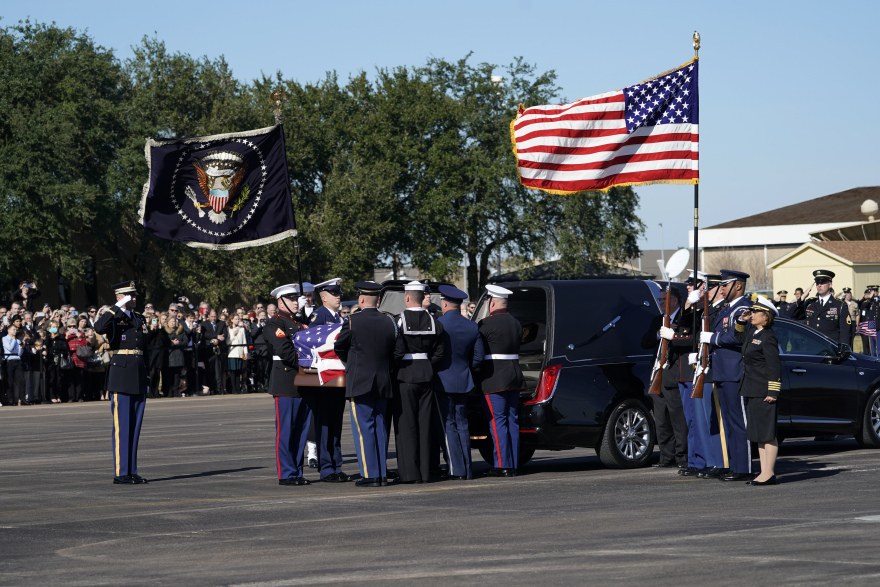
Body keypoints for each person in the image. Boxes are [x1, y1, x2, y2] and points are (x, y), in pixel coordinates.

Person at [334, 281, 400, 487]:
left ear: (361, 299)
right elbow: (397, 352)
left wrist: (352, 364)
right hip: (383, 381)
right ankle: (380, 472)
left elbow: (339, 347)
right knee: (380, 427)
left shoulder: (352, 321)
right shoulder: (389, 321)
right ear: (378, 300)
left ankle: (370, 474)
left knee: (364, 429)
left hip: (360, 380)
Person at [93, 281, 149, 484]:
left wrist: (148, 375)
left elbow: (145, 349)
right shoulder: (114, 316)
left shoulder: (139, 318)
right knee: (122, 426)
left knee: (134, 427)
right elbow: (99, 327)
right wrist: (115, 308)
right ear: (120, 297)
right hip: (121, 375)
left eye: (134, 295)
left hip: (138, 374)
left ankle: (131, 470)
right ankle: (121, 473)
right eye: (129, 296)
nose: (134, 299)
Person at [699, 269, 752, 482]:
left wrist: (713, 338)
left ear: (738, 285)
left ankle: (744, 467)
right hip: (722, 371)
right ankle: (734, 464)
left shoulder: (743, 308)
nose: (721, 288)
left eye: (725, 284)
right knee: (728, 422)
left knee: (739, 421)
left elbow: (738, 337)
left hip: (734, 371)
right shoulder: (727, 309)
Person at [391, 281, 445, 484]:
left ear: (406, 297)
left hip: (405, 376)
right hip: (426, 375)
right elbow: (440, 352)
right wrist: (427, 365)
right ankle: (424, 472)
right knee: (424, 425)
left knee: (406, 427)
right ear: (423, 297)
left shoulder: (398, 321)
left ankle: (409, 474)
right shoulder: (435, 322)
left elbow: (395, 351)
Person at [435, 285, 485, 480]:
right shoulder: (471, 326)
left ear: (445, 303)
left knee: (448, 425)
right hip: (464, 379)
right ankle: (467, 468)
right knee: (463, 424)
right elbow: (479, 357)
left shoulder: (439, 323)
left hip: (443, 379)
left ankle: (456, 469)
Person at [264, 284, 312, 486]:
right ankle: (286, 473)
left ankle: (297, 471)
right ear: (280, 301)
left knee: (301, 432)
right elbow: (286, 352)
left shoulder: (300, 323)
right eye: (291, 299)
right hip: (286, 383)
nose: (295, 302)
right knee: (286, 431)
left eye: (296, 299)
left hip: (305, 382)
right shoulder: (275, 324)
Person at [477, 284, 526, 477]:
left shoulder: (486, 324)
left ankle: (502, 465)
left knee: (498, 423)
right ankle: (513, 464)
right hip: (514, 376)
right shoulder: (516, 323)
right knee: (512, 421)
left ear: (491, 302)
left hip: (494, 378)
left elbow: (479, 353)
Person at [734, 296, 782, 485]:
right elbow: (738, 336)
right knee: (759, 434)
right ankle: (764, 472)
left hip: (764, 390)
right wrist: (741, 320)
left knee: (767, 434)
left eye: (756, 313)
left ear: (766, 316)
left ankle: (768, 473)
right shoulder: (754, 332)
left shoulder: (768, 337)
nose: (752, 315)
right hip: (752, 388)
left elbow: (774, 366)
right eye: (751, 312)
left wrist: (773, 391)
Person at [641, 285, 688, 470]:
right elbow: (644, 342)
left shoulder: (685, 318)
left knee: (678, 419)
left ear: (674, 301)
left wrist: (675, 333)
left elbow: (688, 340)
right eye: (660, 300)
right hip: (658, 374)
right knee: (661, 420)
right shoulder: (657, 320)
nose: (660, 303)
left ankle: (682, 457)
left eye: (663, 300)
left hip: (674, 373)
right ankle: (666, 457)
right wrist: (658, 333)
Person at [803, 270, 852, 345]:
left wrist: (842, 350)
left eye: (822, 283)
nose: (819, 285)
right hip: (813, 349)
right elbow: (793, 315)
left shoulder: (839, 305)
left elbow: (845, 332)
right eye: (817, 283)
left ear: (830, 284)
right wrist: (802, 297)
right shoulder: (811, 304)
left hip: (831, 350)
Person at [201, 309, 228, 394]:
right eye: (212, 316)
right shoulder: (204, 324)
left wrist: (218, 341)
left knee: (218, 370)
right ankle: (211, 388)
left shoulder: (221, 323)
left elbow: (224, 335)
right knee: (209, 370)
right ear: (208, 316)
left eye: (215, 316)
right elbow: (205, 335)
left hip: (218, 351)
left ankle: (219, 389)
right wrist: (216, 337)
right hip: (208, 351)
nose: (213, 318)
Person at [163, 316, 189, 398]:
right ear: (167, 323)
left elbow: (186, 341)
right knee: (169, 375)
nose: (172, 323)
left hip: (179, 355)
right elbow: (163, 341)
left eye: (174, 321)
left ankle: (176, 390)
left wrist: (179, 343)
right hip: (169, 356)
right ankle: (169, 391)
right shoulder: (165, 332)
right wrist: (172, 343)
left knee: (177, 375)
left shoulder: (181, 331)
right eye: (171, 322)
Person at [66, 318, 89, 402]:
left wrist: (80, 338)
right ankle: (71, 397)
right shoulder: (65, 334)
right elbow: (62, 346)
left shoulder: (81, 334)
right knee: (70, 380)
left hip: (80, 360)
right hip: (70, 360)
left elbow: (85, 346)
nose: (72, 328)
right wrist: (66, 337)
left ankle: (79, 397)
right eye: (70, 326)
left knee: (80, 380)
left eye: (74, 326)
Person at [3, 324, 26, 406]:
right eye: (13, 329)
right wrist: (13, 340)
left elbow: (19, 353)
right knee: (10, 381)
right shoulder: (5, 338)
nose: (15, 331)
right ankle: (10, 400)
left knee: (21, 380)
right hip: (9, 361)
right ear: (9, 330)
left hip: (17, 360)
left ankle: (23, 399)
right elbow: (9, 348)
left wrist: (21, 348)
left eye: (16, 329)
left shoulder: (17, 340)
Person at [226, 314, 248, 395]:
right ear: (231, 320)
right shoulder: (229, 329)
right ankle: (233, 388)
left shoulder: (242, 329)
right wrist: (233, 335)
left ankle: (238, 388)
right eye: (235, 319)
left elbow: (244, 341)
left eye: (238, 319)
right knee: (233, 372)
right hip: (232, 353)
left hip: (239, 353)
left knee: (238, 371)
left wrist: (245, 352)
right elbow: (227, 342)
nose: (237, 320)